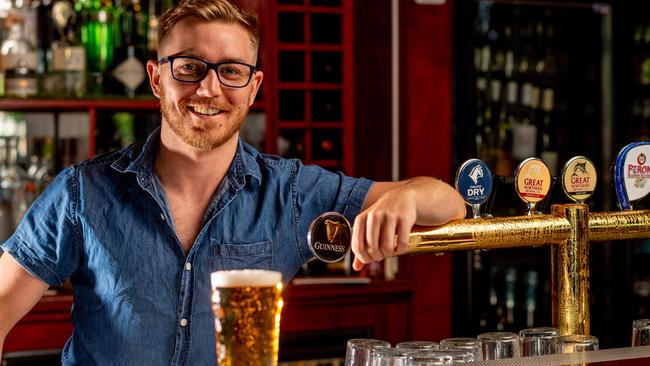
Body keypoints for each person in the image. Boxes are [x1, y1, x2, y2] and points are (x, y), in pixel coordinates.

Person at [0, 0, 466, 364]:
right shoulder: (83, 193)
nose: (209, 89)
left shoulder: (291, 193)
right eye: (188, 67)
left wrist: (403, 197)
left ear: (254, 86)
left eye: (231, 71)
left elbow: (448, 202)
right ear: (157, 78)